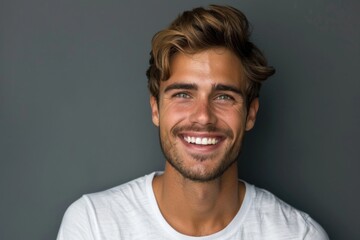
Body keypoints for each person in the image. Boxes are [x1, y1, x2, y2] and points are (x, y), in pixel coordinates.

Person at [57, 5, 329, 239]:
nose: (203, 116)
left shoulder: (298, 235)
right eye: (183, 94)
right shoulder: (94, 226)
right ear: (156, 109)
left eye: (223, 96)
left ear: (251, 114)